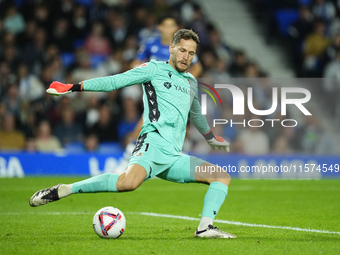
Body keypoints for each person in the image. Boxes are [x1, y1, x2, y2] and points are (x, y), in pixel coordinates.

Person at [29, 29, 236, 239]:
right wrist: (73, 87)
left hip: (174, 155)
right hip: (153, 144)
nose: (186, 57)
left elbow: (196, 114)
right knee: (127, 183)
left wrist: (211, 137)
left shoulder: (191, 81)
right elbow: (115, 81)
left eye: (191, 53)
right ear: (171, 48)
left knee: (221, 176)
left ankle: (204, 228)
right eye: (182, 50)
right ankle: (64, 189)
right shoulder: (153, 69)